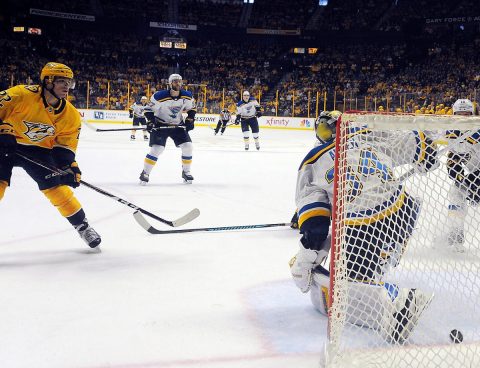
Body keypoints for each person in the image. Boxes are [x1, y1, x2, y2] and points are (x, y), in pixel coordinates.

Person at [289, 111, 438, 344]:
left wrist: (307, 254)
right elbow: (420, 145)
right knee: (371, 269)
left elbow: (316, 227)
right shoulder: (371, 137)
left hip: (362, 223)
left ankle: (399, 301)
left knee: (347, 292)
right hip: (403, 211)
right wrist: (427, 154)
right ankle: (383, 264)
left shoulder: (313, 159)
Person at [0, 62, 101, 248]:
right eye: (61, 81)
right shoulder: (21, 94)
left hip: (39, 150)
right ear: (47, 81)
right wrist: (4, 129)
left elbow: (64, 147)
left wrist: (69, 167)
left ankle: (82, 226)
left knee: (56, 188)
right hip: (5, 144)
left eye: (68, 82)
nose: (66, 86)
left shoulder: (70, 115)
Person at [139, 73, 196, 184]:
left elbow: (192, 109)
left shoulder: (187, 95)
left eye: (179, 81)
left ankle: (186, 172)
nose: (178, 83)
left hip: (177, 125)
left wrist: (190, 119)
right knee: (157, 149)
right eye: (175, 81)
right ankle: (145, 173)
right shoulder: (159, 96)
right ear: (170, 83)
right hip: (161, 125)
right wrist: (150, 121)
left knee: (188, 146)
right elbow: (148, 109)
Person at [444, 98, 480, 252]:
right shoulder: (452, 132)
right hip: (472, 176)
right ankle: (455, 236)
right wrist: (463, 180)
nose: (463, 117)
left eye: (467, 114)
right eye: (460, 114)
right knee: (455, 192)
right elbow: (452, 165)